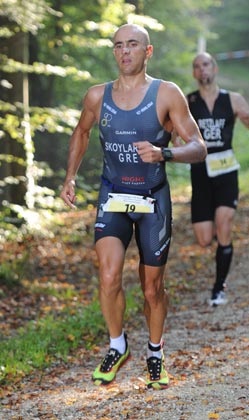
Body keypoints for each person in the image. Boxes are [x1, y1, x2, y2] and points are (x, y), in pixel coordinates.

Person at [60, 23, 206, 389]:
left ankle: (155, 352)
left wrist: (164, 153)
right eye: (119, 46)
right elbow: (81, 132)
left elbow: (199, 147)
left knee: (152, 288)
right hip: (113, 194)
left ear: (148, 51)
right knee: (108, 275)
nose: (125, 52)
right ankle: (117, 344)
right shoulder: (97, 96)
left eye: (133, 45)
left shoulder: (167, 95)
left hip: (152, 198)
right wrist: (70, 177)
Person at [174, 52, 249, 307]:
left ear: (214, 69)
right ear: (194, 73)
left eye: (205, 65)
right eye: (196, 67)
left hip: (226, 170)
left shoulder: (233, 99)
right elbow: (176, 134)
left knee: (224, 223)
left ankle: (218, 287)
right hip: (201, 172)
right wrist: (175, 142)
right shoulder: (188, 101)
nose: (202, 70)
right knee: (204, 238)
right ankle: (220, 246)